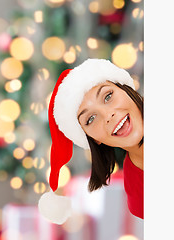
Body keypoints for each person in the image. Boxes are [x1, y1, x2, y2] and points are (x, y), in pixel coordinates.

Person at [38, 58, 143, 224]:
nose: (108, 116)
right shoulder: (137, 192)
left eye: (108, 96)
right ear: (93, 139)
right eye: (91, 118)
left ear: (127, 90)